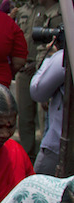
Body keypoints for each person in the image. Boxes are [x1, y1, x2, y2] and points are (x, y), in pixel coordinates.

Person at [14, 0, 46, 161]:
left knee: (43, 119)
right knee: (24, 118)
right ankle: (27, 157)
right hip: (24, 70)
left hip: (43, 69)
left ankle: (44, 156)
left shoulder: (50, 9)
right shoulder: (22, 11)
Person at [31, 42, 66, 175]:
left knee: (39, 188)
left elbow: (37, 91)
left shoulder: (63, 58)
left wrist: (50, 58)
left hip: (59, 144)